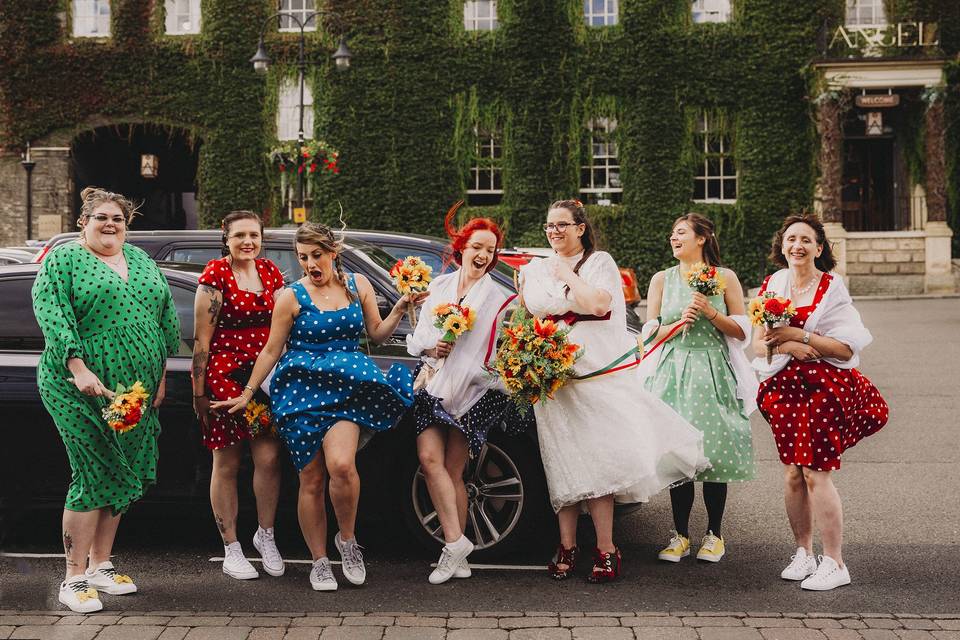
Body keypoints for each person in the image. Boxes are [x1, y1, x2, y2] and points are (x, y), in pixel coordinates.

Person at [211, 222, 424, 591]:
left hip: (347, 389)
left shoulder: (358, 285)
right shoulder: (291, 297)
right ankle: (320, 560)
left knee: (342, 466)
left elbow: (376, 333)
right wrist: (247, 392)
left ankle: (348, 541)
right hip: (300, 393)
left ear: (332, 252)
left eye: (317, 255)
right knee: (311, 478)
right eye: (303, 257)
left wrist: (401, 307)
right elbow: (271, 350)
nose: (310, 263)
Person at [518, 199, 709, 583]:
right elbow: (530, 309)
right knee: (562, 461)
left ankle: (606, 548)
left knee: (595, 461)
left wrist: (566, 275)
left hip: (595, 375)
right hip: (554, 378)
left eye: (562, 225)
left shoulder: (598, 263)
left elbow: (598, 303)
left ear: (580, 228)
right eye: (549, 226)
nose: (554, 232)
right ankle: (567, 546)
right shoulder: (535, 269)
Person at [32, 187, 181, 612]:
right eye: (101, 218)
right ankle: (73, 577)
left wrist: (161, 377)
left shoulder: (140, 260)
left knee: (122, 468)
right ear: (84, 223)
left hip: (133, 391)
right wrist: (78, 368)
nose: (110, 224)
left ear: (127, 225)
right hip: (76, 386)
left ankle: (101, 564)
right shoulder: (64, 259)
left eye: (117, 218)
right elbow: (53, 314)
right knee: (94, 471)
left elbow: (163, 315)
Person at [752, 213, 888, 591]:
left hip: (824, 390)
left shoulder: (831, 288)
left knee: (816, 472)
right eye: (791, 239)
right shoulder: (772, 284)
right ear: (782, 246)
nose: (797, 245)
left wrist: (799, 335)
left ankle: (835, 562)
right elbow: (759, 343)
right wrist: (787, 344)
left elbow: (845, 348)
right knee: (793, 473)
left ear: (819, 247)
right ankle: (803, 552)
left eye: (806, 240)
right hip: (784, 389)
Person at [403, 207, 520, 584]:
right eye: (477, 247)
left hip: (474, 390)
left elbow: (498, 349)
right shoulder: (437, 287)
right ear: (462, 247)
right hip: (434, 384)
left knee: (454, 471)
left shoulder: (500, 299)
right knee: (428, 459)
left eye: (491, 249)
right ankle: (455, 543)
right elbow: (416, 340)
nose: (484, 255)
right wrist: (431, 346)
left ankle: (455, 553)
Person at [643, 213, 757, 564]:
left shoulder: (725, 278)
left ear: (702, 238)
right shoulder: (662, 279)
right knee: (678, 454)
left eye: (681, 233)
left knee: (713, 451)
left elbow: (742, 331)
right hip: (673, 369)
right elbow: (649, 333)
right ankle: (679, 535)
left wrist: (710, 312)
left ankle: (715, 534)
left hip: (712, 369)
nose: (673, 238)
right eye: (672, 233)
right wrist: (677, 323)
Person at [192, 211, 286, 581]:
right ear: (225, 237)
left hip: (263, 376)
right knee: (227, 463)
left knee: (269, 458)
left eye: (254, 235)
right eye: (240, 235)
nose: (248, 241)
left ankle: (266, 536)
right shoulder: (215, 275)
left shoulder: (270, 272)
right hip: (225, 375)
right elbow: (202, 339)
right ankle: (231, 546)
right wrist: (199, 393)